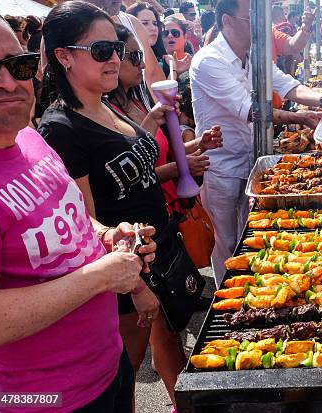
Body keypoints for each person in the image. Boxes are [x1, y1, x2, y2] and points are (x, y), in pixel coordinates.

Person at [0, 10, 157, 412]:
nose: (7, 82)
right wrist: (98, 277)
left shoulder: (29, 139)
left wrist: (106, 236)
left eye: (19, 65)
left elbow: (77, 216)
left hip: (106, 367)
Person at [37, 1, 175, 407]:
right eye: (101, 51)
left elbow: (134, 168)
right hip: (123, 276)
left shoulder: (108, 103)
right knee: (122, 382)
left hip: (159, 254)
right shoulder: (60, 129)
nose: (115, 58)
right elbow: (87, 220)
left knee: (170, 355)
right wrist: (135, 285)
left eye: (117, 48)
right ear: (63, 57)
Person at [105, 24, 220, 405]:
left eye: (141, 55)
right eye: (132, 56)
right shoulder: (110, 114)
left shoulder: (136, 102)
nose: (140, 63)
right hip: (138, 236)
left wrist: (193, 145)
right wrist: (173, 167)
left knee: (169, 330)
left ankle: (180, 400)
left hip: (165, 223)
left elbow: (161, 152)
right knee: (139, 350)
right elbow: (130, 178)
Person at [190, 0, 322, 285]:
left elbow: (287, 84)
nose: (260, 30)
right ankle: (226, 293)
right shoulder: (209, 61)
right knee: (227, 241)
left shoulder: (253, 56)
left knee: (250, 235)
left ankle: (251, 288)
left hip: (251, 161)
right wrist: (300, 117)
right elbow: (250, 111)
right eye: (250, 20)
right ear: (226, 21)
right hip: (220, 167)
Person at [86, 0, 165, 95]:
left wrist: (166, 104)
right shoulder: (74, 28)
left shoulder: (132, 22)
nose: (142, 65)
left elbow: (153, 74)